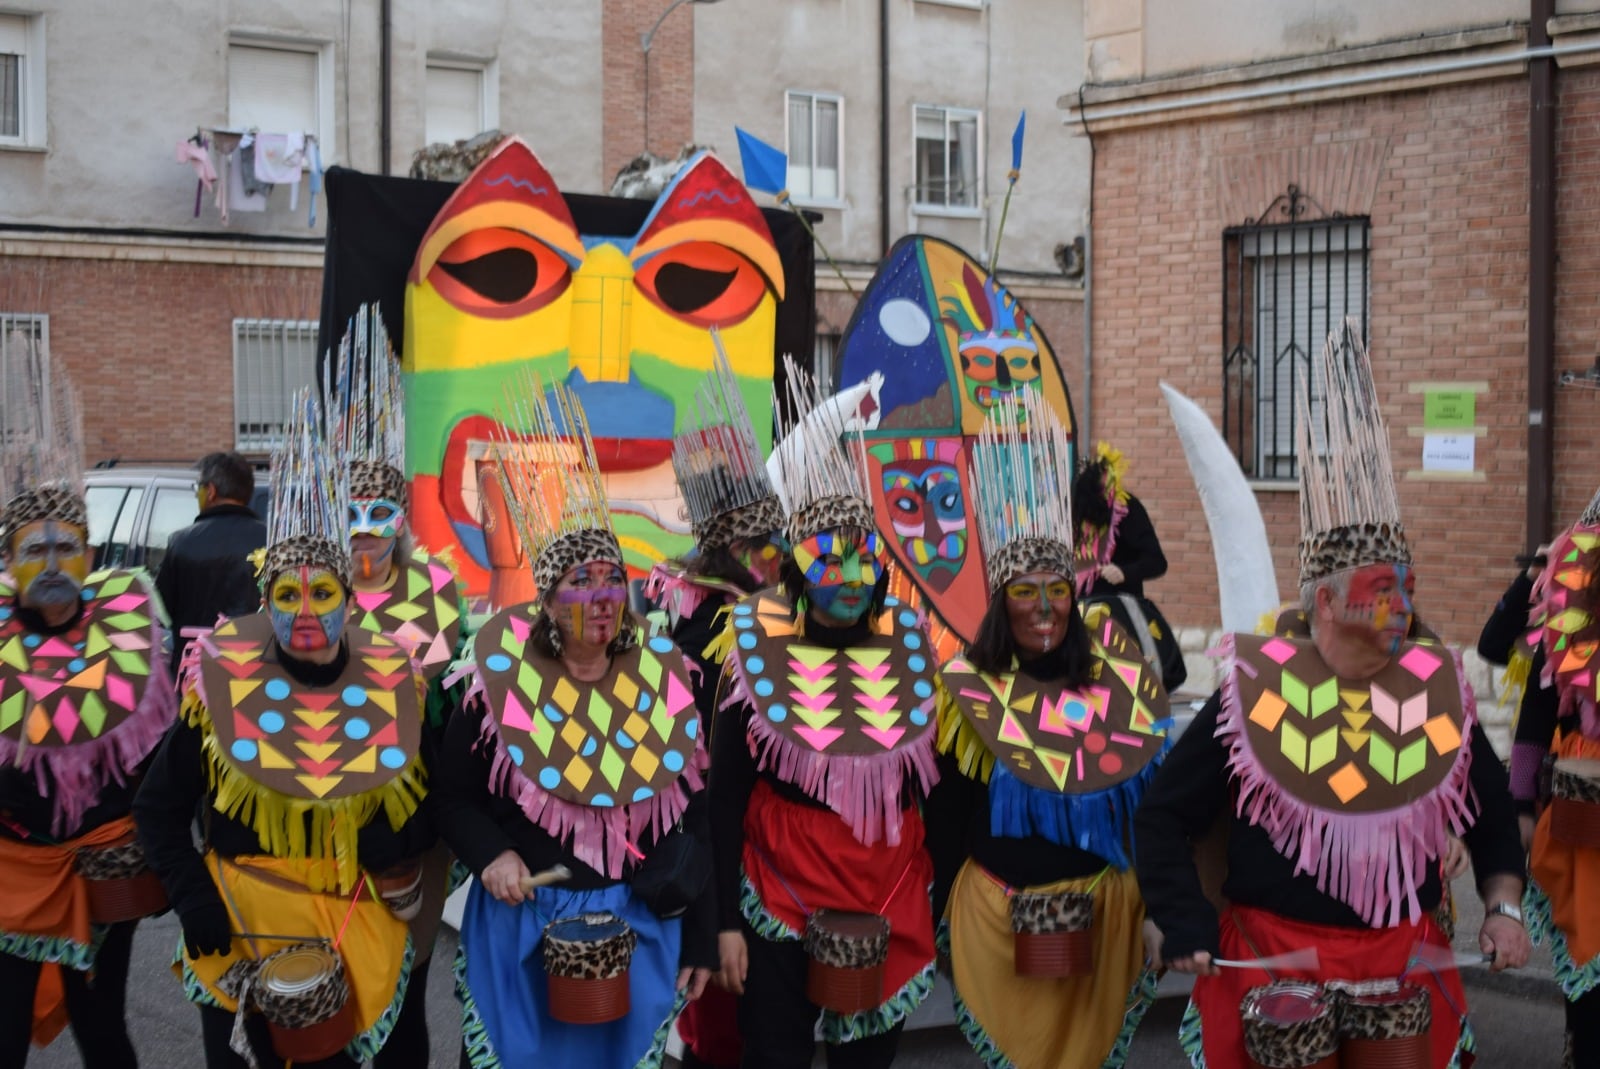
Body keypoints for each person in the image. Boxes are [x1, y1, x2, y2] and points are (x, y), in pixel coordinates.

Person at [1135, 323, 1530, 1068]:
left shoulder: (1434, 691)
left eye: (1405, 589)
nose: (1400, 607)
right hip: (1273, 957)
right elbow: (1162, 815)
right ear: (1323, 601)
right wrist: (1180, 917)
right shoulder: (1254, 695)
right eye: (1381, 590)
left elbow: (1490, 817)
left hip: (1402, 958)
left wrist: (1502, 906)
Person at [136, 390, 431, 1069]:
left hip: (349, 930)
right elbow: (157, 807)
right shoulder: (219, 693)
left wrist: (390, 838)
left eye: (321, 593)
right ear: (263, 602)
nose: (304, 611)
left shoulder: (394, 686)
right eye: (286, 594)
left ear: (348, 603)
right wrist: (193, 898)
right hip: (241, 933)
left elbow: (427, 811)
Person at [435, 375, 715, 1068]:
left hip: (636, 924)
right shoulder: (495, 685)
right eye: (580, 581)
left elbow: (695, 814)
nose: (601, 596)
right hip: (521, 926)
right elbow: (452, 794)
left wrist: (703, 935)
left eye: (612, 578)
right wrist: (493, 855)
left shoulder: (665, 677)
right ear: (549, 599)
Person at [927, 389, 1170, 1068]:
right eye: (1025, 592)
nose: (1043, 607)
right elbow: (946, 813)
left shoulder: (1119, 675)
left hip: (1108, 924)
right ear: (1003, 603)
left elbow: (1153, 809)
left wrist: (1159, 907)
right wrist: (939, 919)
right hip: (999, 925)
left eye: (1057, 589)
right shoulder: (970, 690)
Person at [710, 363, 940, 1069]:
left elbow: (943, 788)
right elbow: (721, 798)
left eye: (861, 555)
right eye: (826, 557)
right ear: (797, 570)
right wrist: (723, 923)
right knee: (774, 1053)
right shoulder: (752, 650)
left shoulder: (911, 647)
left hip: (888, 888)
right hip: (778, 884)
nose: (846, 573)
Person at [0, 352, 178, 1067]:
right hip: (12, 870)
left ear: (91, 554)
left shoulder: (133, 633)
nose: (50, 562)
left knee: (103, 1028)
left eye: (66, 548)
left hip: (107, 864)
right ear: (8, 561)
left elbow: (163, 755)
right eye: (33, 549)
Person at [324, 306, 471, 1069]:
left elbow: (458, 717)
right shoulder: (307, 596)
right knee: (341, 983)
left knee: (406, 988)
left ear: (399, 521)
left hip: (415, 828)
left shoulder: (434, 592)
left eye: (381, 513)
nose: (366, 530)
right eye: (351, 515)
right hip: (323, 825)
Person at [646, 344, 786, 1069]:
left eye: (770, 540)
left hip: (772, 814)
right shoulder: (690, 610)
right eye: (749, 541)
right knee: (718, 1007)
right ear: (718, 542)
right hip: (703, 799)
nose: (765, 554)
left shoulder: (785, 606)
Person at [1510, 484, 1600, 1066]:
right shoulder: (1578, 586)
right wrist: (1519, 802)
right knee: (1590, 947)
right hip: (1589, 804)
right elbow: (1540, 704)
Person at [1072, 442, 1184, 692]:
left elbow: (1157, 561)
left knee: (1124, 687)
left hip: (1121, 617)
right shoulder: (1074, 515)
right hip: (1082, 617)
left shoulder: (1128, 510)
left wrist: (1124, 572)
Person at [155, 450, 267, 676]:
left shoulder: (181, 543)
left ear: (211, 491)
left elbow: (161, 612)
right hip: (256, 673)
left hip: (193, 676)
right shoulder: (271, 540)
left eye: (200, 488)